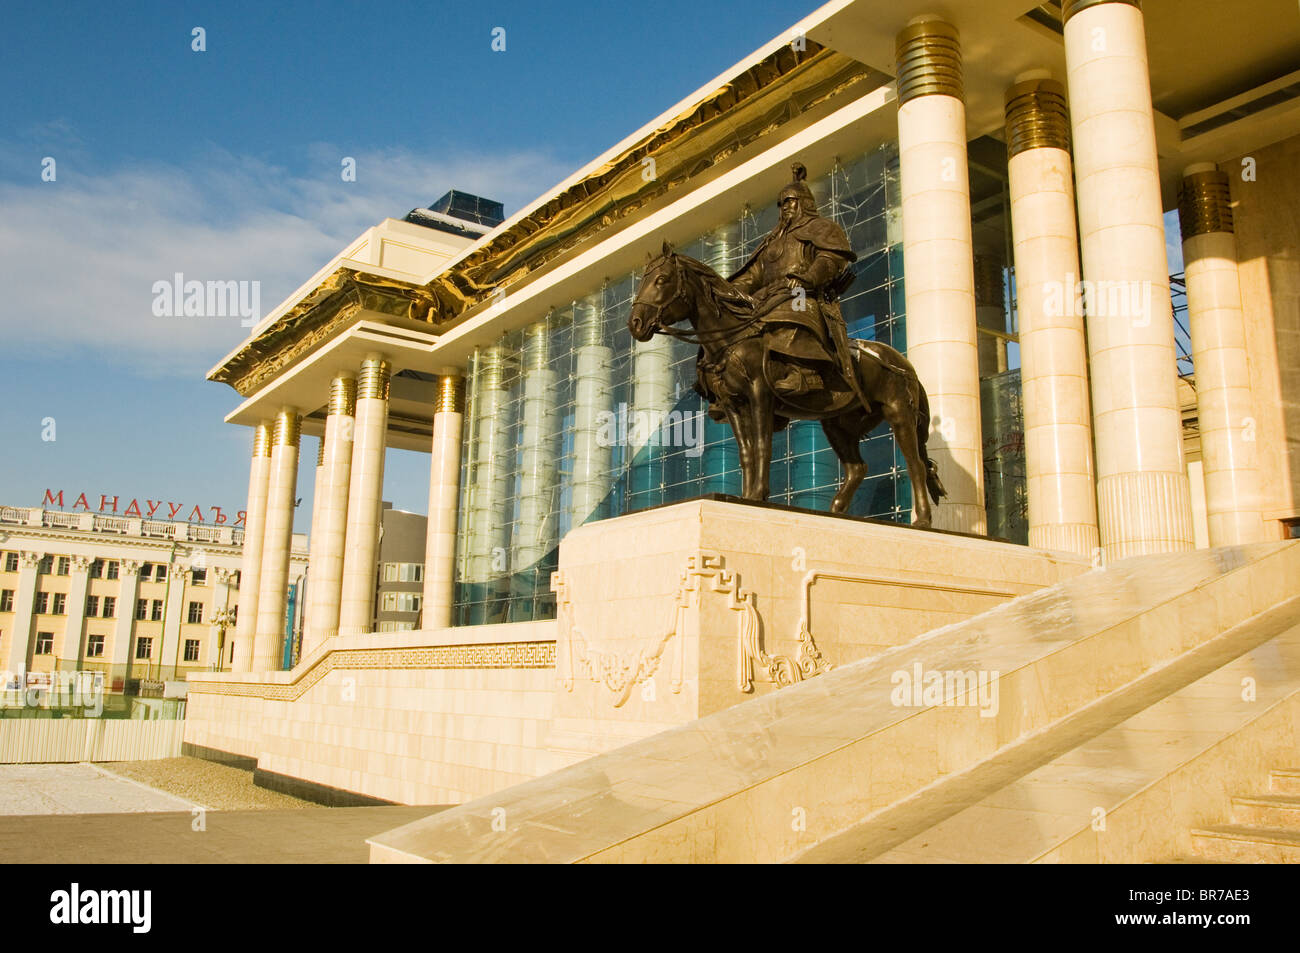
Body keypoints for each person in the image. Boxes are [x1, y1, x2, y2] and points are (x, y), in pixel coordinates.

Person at [727, 162, 858, 396]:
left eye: (789, 201)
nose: (784, 207)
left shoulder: (820, 228)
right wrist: (729, 292)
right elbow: (753, 275)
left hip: (803, 292)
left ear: (804, 203)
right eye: (781, 203)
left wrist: (808, 277)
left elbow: (831, 258)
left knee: (793, 305)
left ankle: (806, 373)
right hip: (768, 298)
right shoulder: (772, 242)